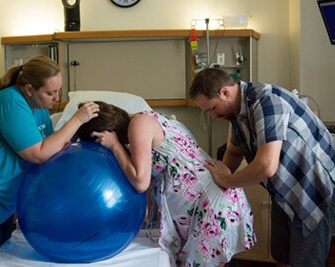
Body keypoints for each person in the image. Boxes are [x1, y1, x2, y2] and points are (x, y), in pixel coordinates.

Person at [0, 55, 100, 267]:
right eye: (50, 93)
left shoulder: (39, 109)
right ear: (29, 89)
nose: (56, 98)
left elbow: (52, 150)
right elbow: (38, 153)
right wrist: (77, 119)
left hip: (1, 206)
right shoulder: (10, 101)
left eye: (59, 91)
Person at [74, 101, 255, 267]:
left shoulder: (139, 125)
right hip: (209, 203)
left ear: (109, 132)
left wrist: (115, 146)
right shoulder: (144, 120)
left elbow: (140, 182)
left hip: (211, 205)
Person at [189, 68, 335, 267]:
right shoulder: (237, 114)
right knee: (281, 254)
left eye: (212, 108)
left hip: (315, 189)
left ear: (225, 92)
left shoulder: (266, 101)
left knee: (306, 261)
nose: (213, 116)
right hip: (286, 191)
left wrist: (226, 180)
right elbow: (233, 152)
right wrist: (216, 178)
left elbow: (265, 167)